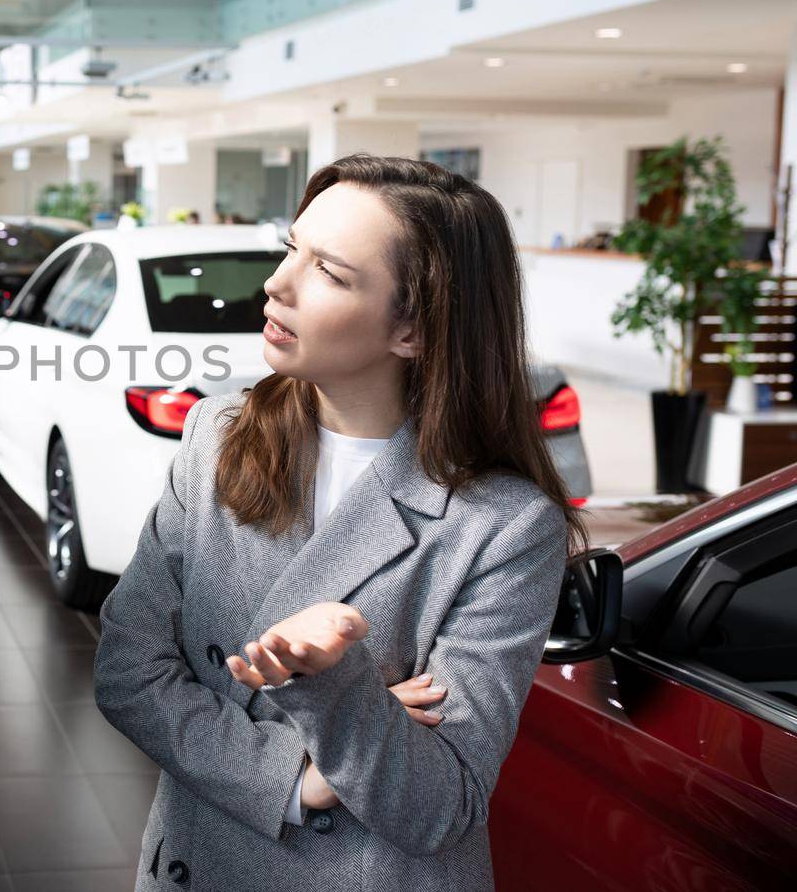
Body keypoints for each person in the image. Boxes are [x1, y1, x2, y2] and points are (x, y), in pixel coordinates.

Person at [95, 154, 585, 891]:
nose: (276, 282)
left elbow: (438, 804)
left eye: (329, 271)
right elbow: (127, 671)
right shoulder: (217, 436)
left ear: (413, 329)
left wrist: (335, 685)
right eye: (292, 248)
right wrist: (296, 774)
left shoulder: (506, 525)